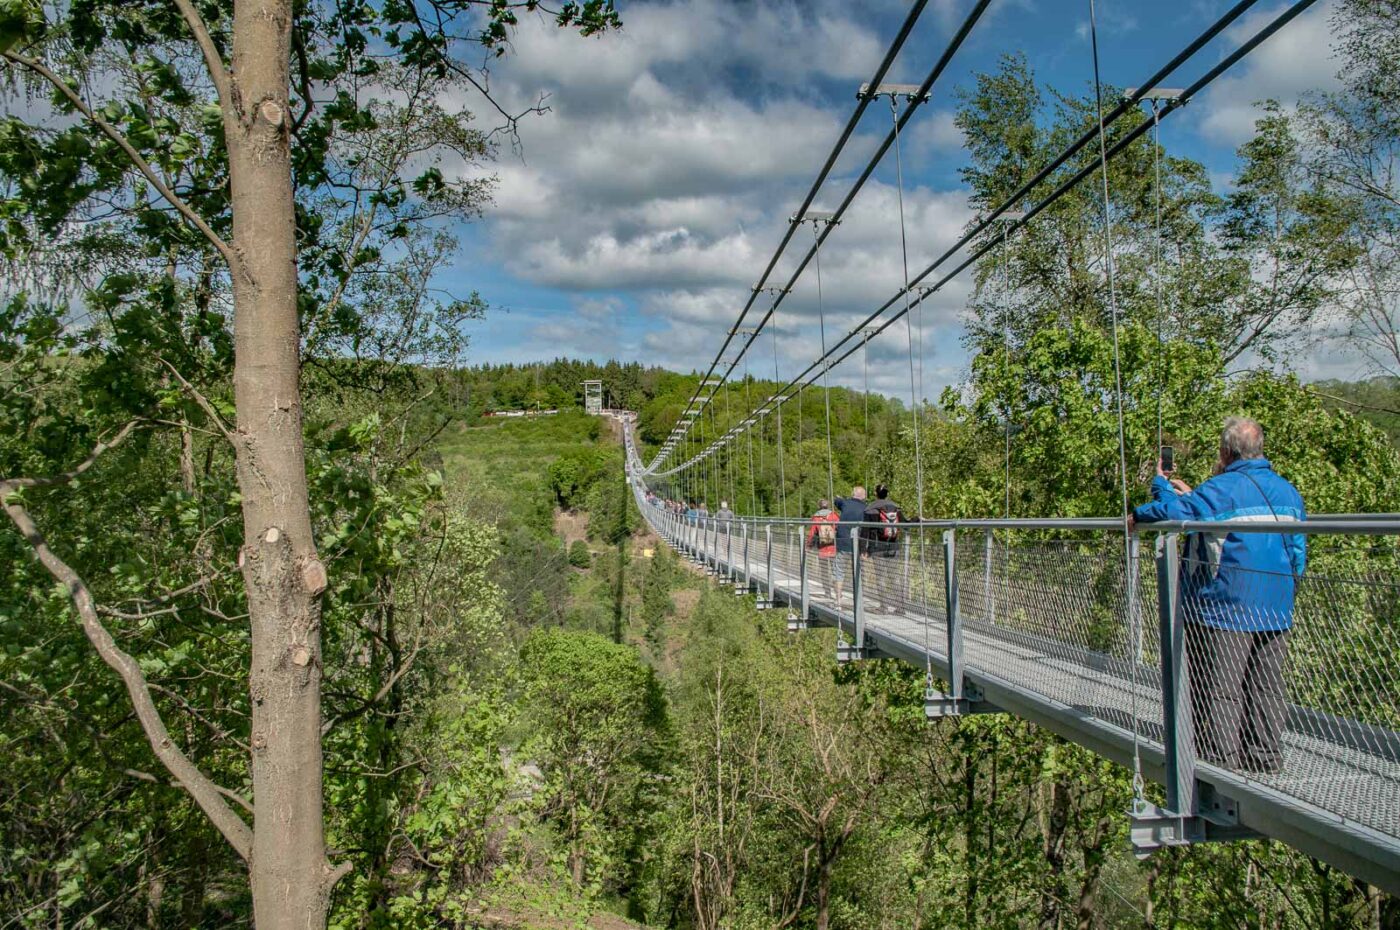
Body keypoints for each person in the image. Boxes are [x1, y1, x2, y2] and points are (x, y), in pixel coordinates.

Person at [1130, 416, 1306, 774]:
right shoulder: (1287, 491)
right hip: (1275, 606)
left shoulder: (1221, 490)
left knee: (1219, 686)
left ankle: (1219, 762)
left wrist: (1154, 492)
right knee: (1266, 684)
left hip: (1226, 606)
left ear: (1226, 451)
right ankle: (1265, 757)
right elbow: (1298, 551)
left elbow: (1171, 512)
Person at [861, 484, 906, 613]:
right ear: (887, 494)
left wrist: (863, 549)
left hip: (877, 547)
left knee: (880, 576)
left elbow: (865, 531)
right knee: (894, 576)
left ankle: (883, 607)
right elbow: (905, 524)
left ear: (876, 493)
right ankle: (900, 607)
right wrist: (918, 519)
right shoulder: (895, 508)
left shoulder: (870, 509)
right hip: (893, 546)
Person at [831, 486, 868, 605]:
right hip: (857, 544)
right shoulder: (866, 508)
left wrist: (839, 498)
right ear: (864, 496)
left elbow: (836, 501)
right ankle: (858, 600)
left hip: (843, 543)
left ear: (853, 494)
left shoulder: (845, 503)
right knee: (858, 572)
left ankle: (838, 600)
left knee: (839, 572)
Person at [807, 499, 840, 600]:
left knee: (824, 571)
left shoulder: (816, 517)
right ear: (828, 506)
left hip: (822, 548)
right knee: (836, 571)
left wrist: (808, 546)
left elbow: (812, 533)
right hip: (834, 547)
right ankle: (838, 593)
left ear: (819, 506)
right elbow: (840, 529)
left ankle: (827, 593)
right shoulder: (834, 515)